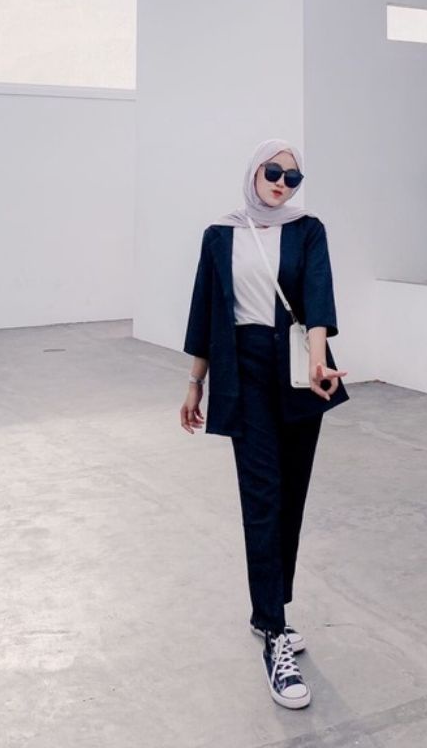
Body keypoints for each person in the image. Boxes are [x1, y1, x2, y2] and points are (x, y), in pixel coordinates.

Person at [179, 138, 349, 709]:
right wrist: (195, 382)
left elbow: (318, 302)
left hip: (296, 371)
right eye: (273, 172)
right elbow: (206, 312)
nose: (281, 183)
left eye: (292, 177)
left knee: (291, 495)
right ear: (254, 172)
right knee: (262, 496)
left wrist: (319, 361)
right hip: (242, 371)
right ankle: (275, 634)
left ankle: (267, 609)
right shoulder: (220, 234)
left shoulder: (308, 230)